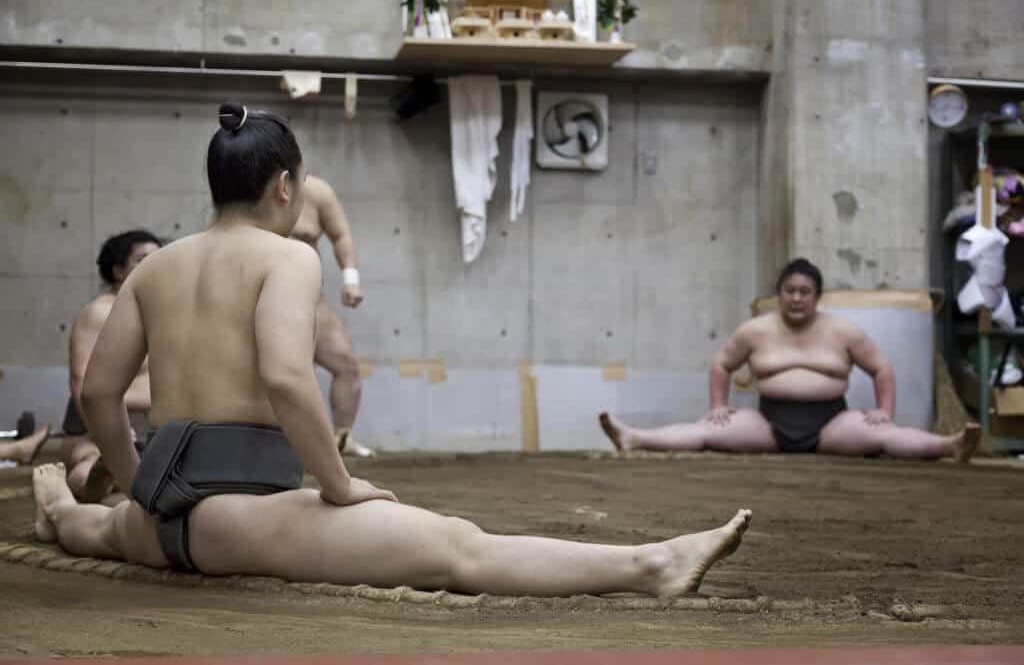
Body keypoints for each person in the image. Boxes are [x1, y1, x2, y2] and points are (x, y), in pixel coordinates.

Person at [31, 102, 751, 597]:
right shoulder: (286, 257)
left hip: (159, 518)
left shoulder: (155, 268)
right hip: (238, 516)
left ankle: (53, 504)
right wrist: (338, 484)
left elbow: (97, 392)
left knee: (89, 526)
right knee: (458, 548)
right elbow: (286, 378)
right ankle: (651, 564)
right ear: (285, 186)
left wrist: (142, 486)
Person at [600, 258, 980, 462]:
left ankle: (951, 446)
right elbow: (722, 364)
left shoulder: (843, 330)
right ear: (780, 294)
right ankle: (634, 438)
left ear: (817, 296)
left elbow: (881, 368)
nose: (796, 298)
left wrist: (884, 411)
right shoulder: (756, 330)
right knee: (705, 431)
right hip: (768, 424)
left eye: (804, 291)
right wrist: (718, 405)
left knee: (885, 435)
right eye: (789, 290)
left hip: (832, 423)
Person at [62, 230, 161, 501]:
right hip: (102, 421)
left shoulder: (158, 310)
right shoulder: (101, 312)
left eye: (159, 259)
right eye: (142, 260)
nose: (154, 266)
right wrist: (105, 432)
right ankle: (94, 476)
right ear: (118, 270)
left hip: (150, 424)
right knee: (88, 461)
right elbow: (81, 380)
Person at [290, 174, 374, 457]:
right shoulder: (248, 187)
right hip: (257, 297)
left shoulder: (316, 191)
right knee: (283, 374)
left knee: (346, 365)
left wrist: (351, 280)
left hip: (309, 296)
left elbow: (340, 234)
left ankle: (342, 437)